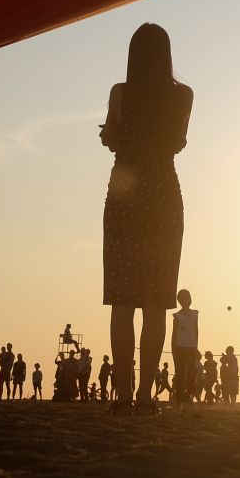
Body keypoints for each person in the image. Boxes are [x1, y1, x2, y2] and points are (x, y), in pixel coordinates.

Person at [99, 22, 193, 413]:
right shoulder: (183, 96)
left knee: (122, 301)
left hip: (125, 195)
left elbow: (111, 139)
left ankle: (121, 395)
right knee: (157, 303)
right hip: (163, 195)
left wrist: (110, 132)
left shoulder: (120, 93)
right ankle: (144, 398)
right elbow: (178, 143)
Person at [171, 288, 200, 405]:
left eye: (189, 297)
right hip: (180, 347)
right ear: (180, 301)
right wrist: (173, 350)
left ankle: (190, 394)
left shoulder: (195, 314)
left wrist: (196, 346)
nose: (188, 300)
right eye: (185, 298)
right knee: (180, 373)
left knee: (192, 372)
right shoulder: (177, 316)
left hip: (192, 347)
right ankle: (179, 398)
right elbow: (174, 334)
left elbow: (196, 331)